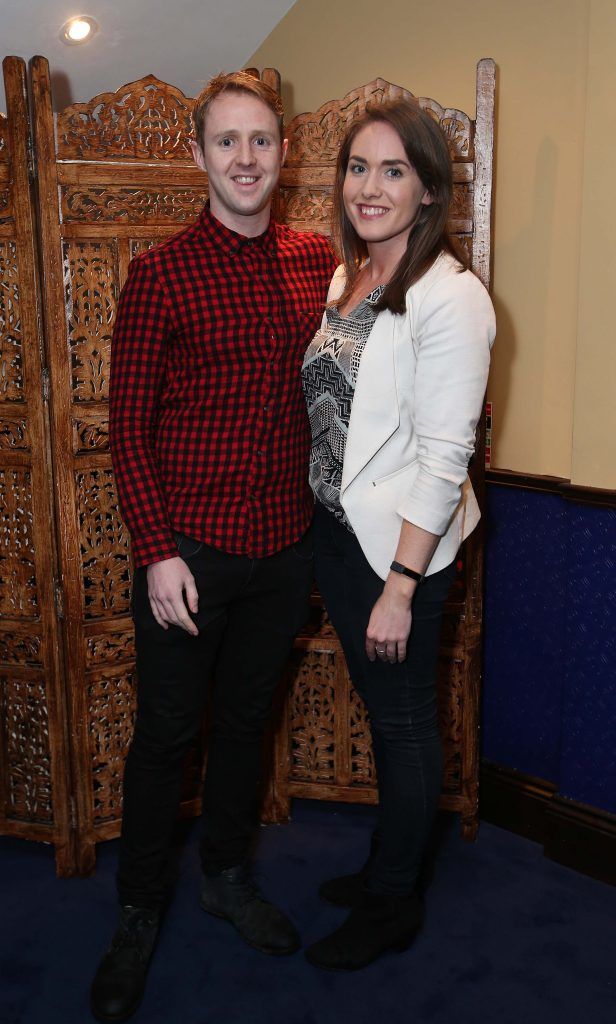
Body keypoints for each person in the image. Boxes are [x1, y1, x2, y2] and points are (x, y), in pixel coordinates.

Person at [90, 71, 335, 1022]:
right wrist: (156, 550)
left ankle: (226, 875)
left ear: (283, 154)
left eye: (261, 141)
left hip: (285, 548)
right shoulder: (160, 272)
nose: (245, 158)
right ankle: (139, 908)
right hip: (187, 555)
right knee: (165, 739)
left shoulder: (315, 261)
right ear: (198, 157)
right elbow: (128, 425)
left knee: (244, 728)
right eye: (227, 142)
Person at [301, 98, 496, 971]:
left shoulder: (452, 298)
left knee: (407, 723)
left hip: (402, 556)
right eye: (357, 167)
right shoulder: (349, 277)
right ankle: (392, 866)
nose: (369, 187)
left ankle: (392, 906)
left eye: (393, 171)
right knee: (387, 721)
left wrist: (403, 586)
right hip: (339, 536)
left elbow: (446, 453)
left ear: (426, 191)